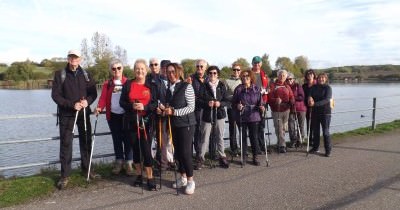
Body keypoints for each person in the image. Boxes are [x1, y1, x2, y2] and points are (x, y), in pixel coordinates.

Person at [51, 49, 98, 190]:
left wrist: (87, 102)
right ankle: (65, 176)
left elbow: (93, 93)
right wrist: (72, 104)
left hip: (83, 113)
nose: (74, 60)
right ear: (68, 59)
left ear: (80, 59)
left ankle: (87, 169)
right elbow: (55, 96)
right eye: (71, 57)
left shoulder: (86, 74)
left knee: (86, 141)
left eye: (76, 57)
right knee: (66, 144)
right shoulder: (60, 75)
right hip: (67, 114)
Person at [158, 62, 196, 195]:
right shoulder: (169, 89)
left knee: (185, 153)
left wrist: (174, 112)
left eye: (173, 71)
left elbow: (191, 107)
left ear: (178, 72)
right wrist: (163, 109)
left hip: (186, 124)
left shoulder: (187, 86)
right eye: (168, 72)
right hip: (174, 124)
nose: (171, 74)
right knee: (178, 153)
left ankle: (191, 181)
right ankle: (183, 177)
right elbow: (169, 105)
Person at [120, 59, 157, 191]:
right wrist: (132, 105)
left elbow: (154, 104)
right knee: (135, 150)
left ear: (146, 71)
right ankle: (139, 175)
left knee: (146, 151)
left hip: (146, 122)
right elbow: (122, 102)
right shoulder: (128, 84)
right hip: (131, 121)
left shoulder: (151, 85)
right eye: (137, 69)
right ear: (134, 70)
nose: (140, 71)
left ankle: (150, 178)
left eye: (142, 69)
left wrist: (145, 107)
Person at [95, 59, 133, 176]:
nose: (116, 70)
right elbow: (102, 98)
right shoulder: (108, 84)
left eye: (118, 68)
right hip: (113, 116)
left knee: (128, 140)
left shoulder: (128, 83)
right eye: (113, 68)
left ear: (122, 69)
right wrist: (99, 108)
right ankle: (119, 161)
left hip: (126, 116)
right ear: (111, 70)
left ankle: (129, 163)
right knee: (116, 139)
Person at [198, 66, 230, 168]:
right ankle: (200, 158)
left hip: (219, 114)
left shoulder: (222, 85)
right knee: (204, 137)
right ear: (208, 74)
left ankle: (222, 157)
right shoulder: (203, 86)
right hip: (207, 115)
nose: (212, 75)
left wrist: (220, 104)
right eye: (210, 73)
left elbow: (227, 100)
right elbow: (198, 101)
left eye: (215, 73)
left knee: (219, 136)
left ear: (218, 74)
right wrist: (207, 103)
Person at [232, 69, 265, 166]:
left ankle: (255, 156)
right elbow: (233, 103)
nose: (245, 77)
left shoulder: (256, 89)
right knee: (243, 137)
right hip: (241, 116)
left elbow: (260, 102)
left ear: (251, 77)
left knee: (254, 137)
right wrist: (238, 106)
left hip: (254, 116)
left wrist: (262, 107)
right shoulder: (238, 89)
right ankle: (244, 156)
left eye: (247, 76)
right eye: (243, 76)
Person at [146, 58, 172, 171]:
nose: (165, 70)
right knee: (161, 140)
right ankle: (162, 164)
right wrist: (158, 106)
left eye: (168, 68)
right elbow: (153, 97)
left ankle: (171, 161)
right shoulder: (155, 81)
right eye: (163, 68)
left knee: (170, 140)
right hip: (159, 114)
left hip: (172, 114)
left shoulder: (174, 80)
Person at [186, 59, 208, 169]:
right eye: (198, 66)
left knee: (202, 134)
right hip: (193, 111)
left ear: (205, 68)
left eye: (201, 67)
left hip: (205, 111)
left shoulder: (209, 78)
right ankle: (190, 158)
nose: (199, 69)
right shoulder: (191, 78)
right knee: (193, 134)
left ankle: (201, 156)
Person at [268, 69, 295, 153]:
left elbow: (291, 96)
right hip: (277, 110)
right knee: (279, 128)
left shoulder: (287, 86)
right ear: (277, 76)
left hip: (286, 109)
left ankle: (280, 143)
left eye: (284, 75)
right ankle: (282, 145)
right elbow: (269, 98)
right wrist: (275, 100)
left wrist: (292, 101)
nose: (282, 77)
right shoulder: (273, 86)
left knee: (283, 128)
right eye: (280, 75)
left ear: (286, 76)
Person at [308, 73, 333, 157]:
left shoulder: (328, 88)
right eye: (319, 78)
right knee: (316, 131)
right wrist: (309, 98)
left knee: (325, 132)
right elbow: (309, 95)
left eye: (322, 78)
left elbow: (327, 100)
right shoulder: (313, 87)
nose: (320, 79)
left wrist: (314, 104)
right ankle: (315, 147)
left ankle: (328, 150)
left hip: (325, 112)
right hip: (315, 112)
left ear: (325, 79)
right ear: (317, 79)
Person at [251, 56, 269, 154]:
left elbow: (267, 88)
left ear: (260, 64)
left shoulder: (264, 74)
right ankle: (256, 147)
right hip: (253, 103)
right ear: (252, 64)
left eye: (258, 63)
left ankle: (262, 146)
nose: (256, 65)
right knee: (254, 126)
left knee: (262, 125)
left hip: (263, 102)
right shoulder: (250, 74)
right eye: (255, 63)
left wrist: (266, 91)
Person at [224, 62, 242, 157]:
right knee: (233, 128)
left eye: (238, 70)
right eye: (234, 69)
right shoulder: (226, 81)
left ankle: (243, 147)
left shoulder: (243, 80)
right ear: (232, 70)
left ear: (240, 71)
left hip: (242, 108)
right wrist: (234, 98)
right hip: (231, 108)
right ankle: (234, 148)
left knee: (242, 128)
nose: (236, 71)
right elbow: (225, 95)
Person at [286, 72, 306, 148]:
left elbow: (302, 97)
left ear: (293, 79)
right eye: (287, 79)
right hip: (290, 109)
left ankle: (300, 140)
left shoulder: (298, 86)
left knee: (300, 125)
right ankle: (293, 141)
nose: (289, 81)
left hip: (300, 109)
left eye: (290, 79)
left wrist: (293, 98)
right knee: (291, 126)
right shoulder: (285, 87)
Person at [302, 69, 317, 143]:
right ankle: (309, 139)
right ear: (306, 76)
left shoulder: (317, 85)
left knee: (315, 123)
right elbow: (302, 96)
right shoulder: (304, 86)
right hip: (307, 107)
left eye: (311, 74)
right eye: (308, 74)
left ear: (314, 75)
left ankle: (315, 139)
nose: (310, 75)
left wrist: (313, 101)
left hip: (315, 107)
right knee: (309, 123)